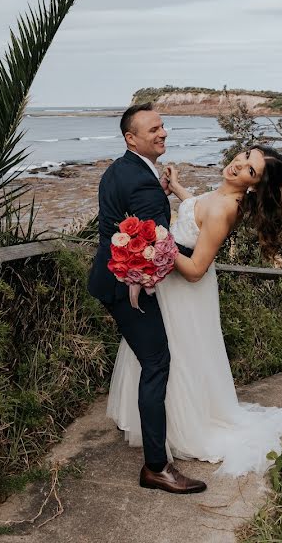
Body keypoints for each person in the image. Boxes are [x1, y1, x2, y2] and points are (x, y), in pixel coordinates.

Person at [106, 142, 282, 476]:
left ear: (255, 185)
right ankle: (157, 422)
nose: (239, 166)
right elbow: (198, 214)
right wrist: (178, 187)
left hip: (185, 291)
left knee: (177, 356)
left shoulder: (226, 209)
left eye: (250, 170)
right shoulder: (223, 194)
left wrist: (157, 244)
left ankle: (182, 428)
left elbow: (195, 269)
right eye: (244, 157)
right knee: (167, 354)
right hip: (171, 284)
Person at [87, 103, 207, 494]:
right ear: (131, 138)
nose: (163, 133)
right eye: (154, 129)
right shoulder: (141, 181)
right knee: (157, 362)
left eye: (163, 126)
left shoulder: (119, 170)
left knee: (147, 358)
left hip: (109, 280)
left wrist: (164, 186)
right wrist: (194, 267)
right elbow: (157, 244)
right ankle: (156, 466)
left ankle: (140, 430)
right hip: (127, 288)